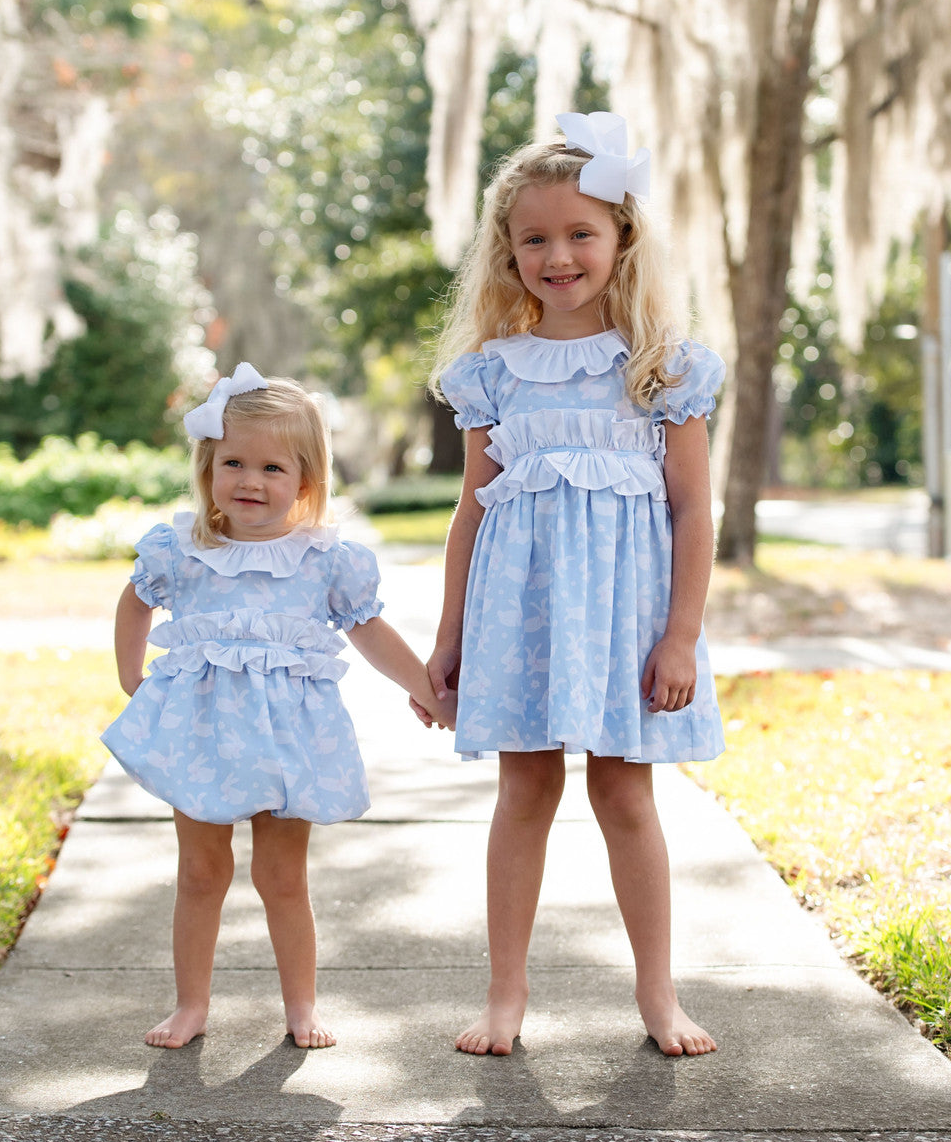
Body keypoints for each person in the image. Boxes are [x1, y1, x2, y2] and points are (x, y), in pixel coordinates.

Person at [418, 111, 725, 1058]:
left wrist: (680, 635)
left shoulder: (661, 369)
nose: (559, 255)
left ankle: (658, 996)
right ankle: (505, 995)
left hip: (627, 624)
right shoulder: (491, 377)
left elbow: (691, 513)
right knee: (524, 793)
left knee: (628, 799)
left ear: (622, 238)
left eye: (580, 233)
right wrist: (448, 637)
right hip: (519, 620)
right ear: (507, 256)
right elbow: (472, 512)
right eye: (535, 239)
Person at [103, 364, 455, 1050]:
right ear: (207, 465)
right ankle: (191, 1005)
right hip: (202, 733)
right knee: (202, 870)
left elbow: (369, 630)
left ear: (307, 482)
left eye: (272, 467)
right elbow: (134, 600)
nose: (251, 482)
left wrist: (425, 687)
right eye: (233, 462)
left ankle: (301, 1007)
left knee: (282, 875)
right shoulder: (184, 551)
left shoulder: (324, 559)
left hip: (290, 738)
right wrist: (130, 675)